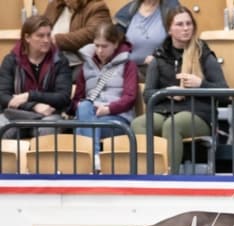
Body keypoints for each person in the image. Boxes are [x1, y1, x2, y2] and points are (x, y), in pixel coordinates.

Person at [131, 6, 228, 174]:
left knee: (172, 125)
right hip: (166, 110)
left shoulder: (203, 54)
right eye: (180, 24)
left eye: (189, 24)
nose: (185, 28)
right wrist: (168, 93)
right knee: (138, 123)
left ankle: (170, 176)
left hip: (198, 114)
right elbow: (148, 95)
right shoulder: (159, 57)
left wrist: (200, 85)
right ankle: (148, 173)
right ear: (169, 29)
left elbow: (224, 92)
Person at [71, 23, 138, 166]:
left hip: (117, 119)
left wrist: (108, 109)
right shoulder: (85, 66)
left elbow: (130, 97)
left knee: (83, 126)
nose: (100, 50)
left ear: (115, 44)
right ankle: (94, 160)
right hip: (89, 115)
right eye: (97, 45)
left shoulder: (128, 65)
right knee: (84, 107)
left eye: (104, 46)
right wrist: (89, 108)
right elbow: (77, 99)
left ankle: (87, 162)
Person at [0, 15, 72, 139]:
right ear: (27, 37)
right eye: (40, 35)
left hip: (49, 115)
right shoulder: (11, 60)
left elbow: (63, 97)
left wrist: (30, 95)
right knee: (3, 126)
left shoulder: (59, 61)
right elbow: (3, 96)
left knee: (47, 129)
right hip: (16, 114)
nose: (46, 40)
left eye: (49, 35)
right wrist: (33, 106)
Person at [43, 0, 112, 79]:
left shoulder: (97, 7)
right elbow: (40, 27)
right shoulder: (54, 4)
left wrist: (56, 40)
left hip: (79, 63)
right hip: (51, 60)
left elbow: (93, 33)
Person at [114, 0, 181, 81]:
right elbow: (115, 41)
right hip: (128, 71)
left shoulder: (171, 8)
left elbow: (179, 44)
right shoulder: (129, 10)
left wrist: (160, 58)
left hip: (158, 73)